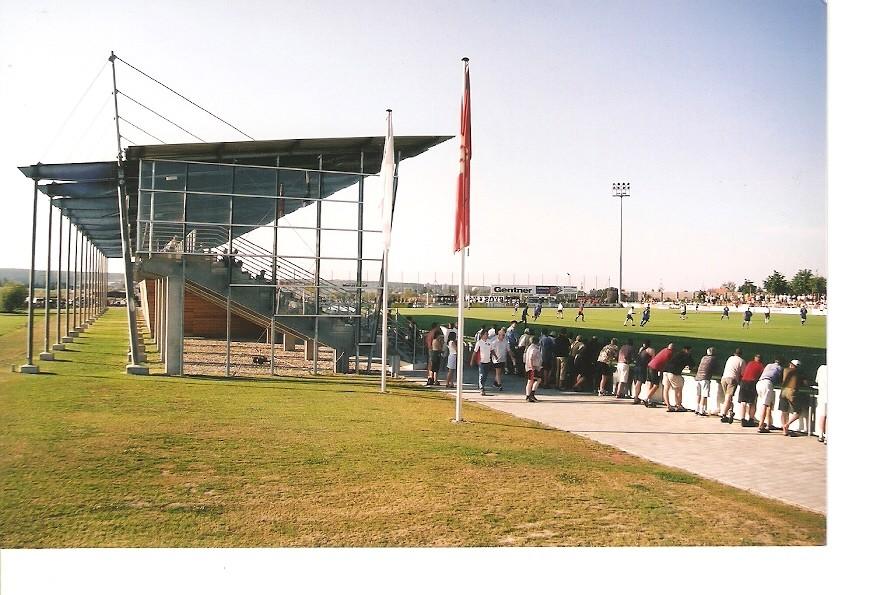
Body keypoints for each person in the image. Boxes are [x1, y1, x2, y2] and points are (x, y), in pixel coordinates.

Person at [779, 359, 807, 437]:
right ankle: (787, 424)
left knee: (784, 411)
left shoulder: (785, 370)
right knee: (798, 412)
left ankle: (785, 430)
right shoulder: (799, 372)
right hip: (792, 392)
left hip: (783, 391)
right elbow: (805, 383)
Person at [756, 358, 783, 433]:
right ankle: (761, 425)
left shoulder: (768, 365)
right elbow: (780, 379)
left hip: (759, 383)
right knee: (765, 405)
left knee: (767, 404)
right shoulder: (779, 367)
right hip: (767, 384)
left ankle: (769, 423)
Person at [663, 345, 693, 412]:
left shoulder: (677, 354)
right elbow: (692, 365)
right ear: (688, 350)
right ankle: (678, 405)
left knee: (666, 389)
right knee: (678, 388)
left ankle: (668, 406)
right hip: (673, 372)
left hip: (666, 370)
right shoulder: (687, 356)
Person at [719, 348, 746, 423]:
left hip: (724, 378)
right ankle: (723, 414)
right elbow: (743, 373)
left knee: (727, 398)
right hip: (732, 379)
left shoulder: (730, 358)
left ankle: (730, 411)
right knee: (728, 398)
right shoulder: (741, 361)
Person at [738, 354, 765, 426]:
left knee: (743, 402)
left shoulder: (750, 363)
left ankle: (743, 419)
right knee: (752, 402)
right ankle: (751, 419)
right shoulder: (761, 366)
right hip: (752, 383)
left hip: (744, 381)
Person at [470, 329, 496, 396]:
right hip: (481, 361)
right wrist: (472, 361)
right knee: (481, 374)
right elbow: (475, 352)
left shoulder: (489, 342)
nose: (487, 335)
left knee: (485, 375)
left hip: (488, 361)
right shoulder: (479, 343)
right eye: (485, 334)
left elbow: (492, 350)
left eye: (487, 334)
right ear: (482, 335)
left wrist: (495, 356)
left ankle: (482, 385)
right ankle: (482, 388)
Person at [694, 347, 717, 415]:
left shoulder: (703, 357)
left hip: (698, 377)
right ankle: (701, 410)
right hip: (705, 378)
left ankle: (697, 409)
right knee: (704, 395)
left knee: (699, 394)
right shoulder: (713, 359)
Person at [633, 340, 655, 404]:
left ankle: (636, 397)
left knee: (637, 382)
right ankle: (636, 397)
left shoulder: (641, 349)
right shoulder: (650, 350)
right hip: (642, 367)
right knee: (639, 382)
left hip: (637, 366)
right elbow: (653, 359)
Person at [524, 335, 543, 402]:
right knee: (537, 380)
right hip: (533, 367)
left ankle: (528, 395)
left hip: (529, 366)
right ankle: (531, 394)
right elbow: (531, 358)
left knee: (530, 381)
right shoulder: (534, 349)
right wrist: (532, 367)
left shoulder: (529, 348)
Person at [815, 363, 827, 444]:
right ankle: (827, 437)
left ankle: (821, 435)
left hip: (822, 396)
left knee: (822, 416)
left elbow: (817, 380)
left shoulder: (821, 368)